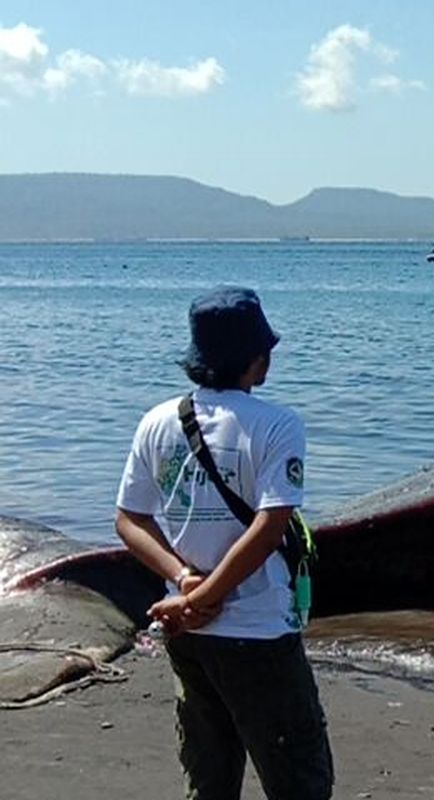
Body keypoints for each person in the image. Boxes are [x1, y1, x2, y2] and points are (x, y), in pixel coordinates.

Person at [114, 286, 333, 800]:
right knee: (300, 778)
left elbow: (129, 519)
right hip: (255, 629)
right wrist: (201, 596)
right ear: (258, 361)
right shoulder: (278, 425)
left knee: (210, 775)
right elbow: (269, 528)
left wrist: (184, 583)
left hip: (186, 630)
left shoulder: (157, 422)